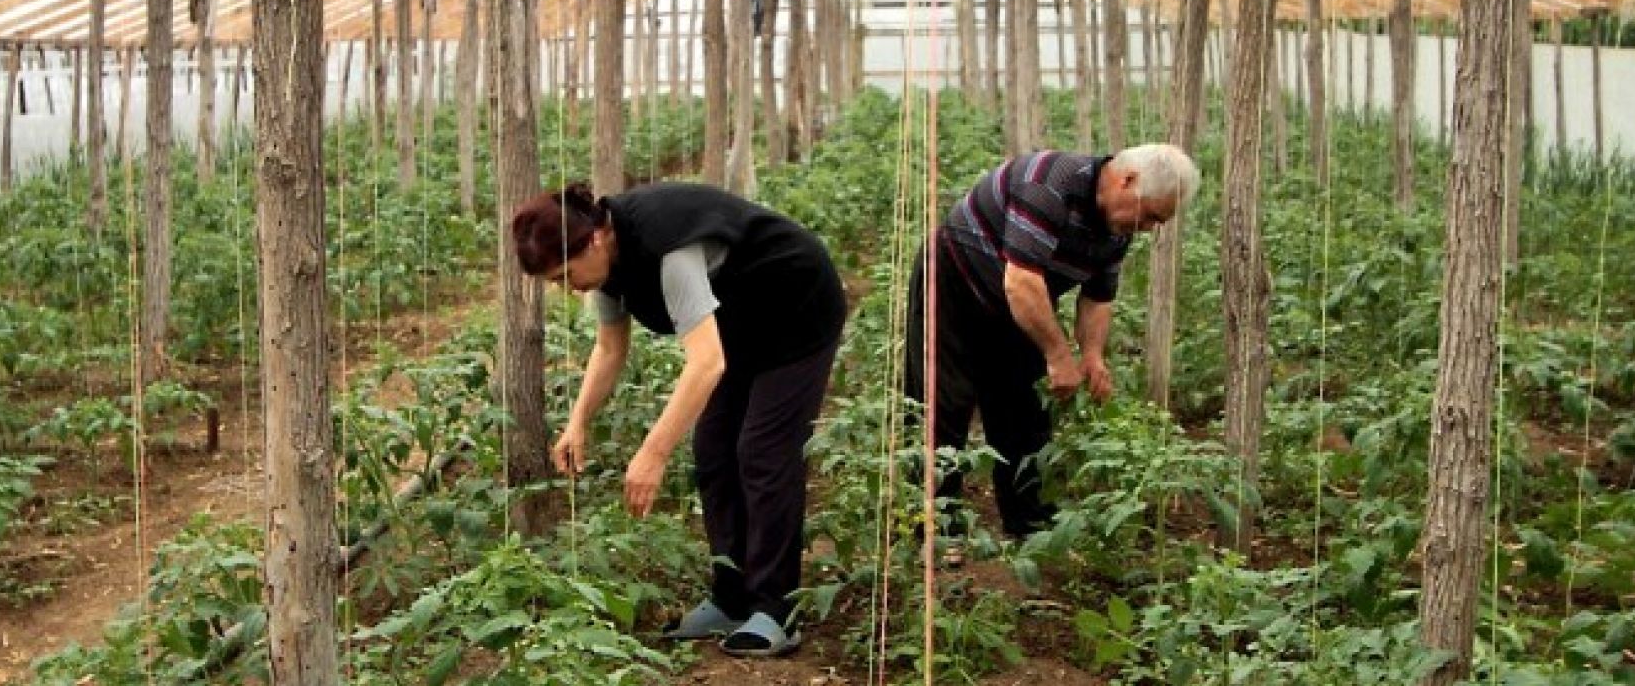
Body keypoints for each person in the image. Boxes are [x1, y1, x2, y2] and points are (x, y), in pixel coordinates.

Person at [510, 181, 846, 658]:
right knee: (713, 450)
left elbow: (706, 363)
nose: (568, 288)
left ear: (595, 240)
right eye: (556, 282)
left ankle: (776, 610)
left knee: (763, 453)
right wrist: (578, 421)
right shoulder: (604, 268)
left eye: (565, 274)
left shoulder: (669, 248)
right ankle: (731, 598)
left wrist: (652, 453)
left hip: (797, 310)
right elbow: (609, 349)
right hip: (739, 325)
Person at [906, 144, 1199, 552]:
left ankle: (1030, 527)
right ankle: (937, 534)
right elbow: (1021, 280)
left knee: (1024, 411)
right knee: (942, 404)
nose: (1150, 228)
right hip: (955, 279)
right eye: (1150, 215)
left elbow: (1098, 296)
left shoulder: (1117, 227)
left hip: (1022, 300)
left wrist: (1092, 355)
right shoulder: (1049, 185)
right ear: (1127, 180)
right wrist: (1060, 355)